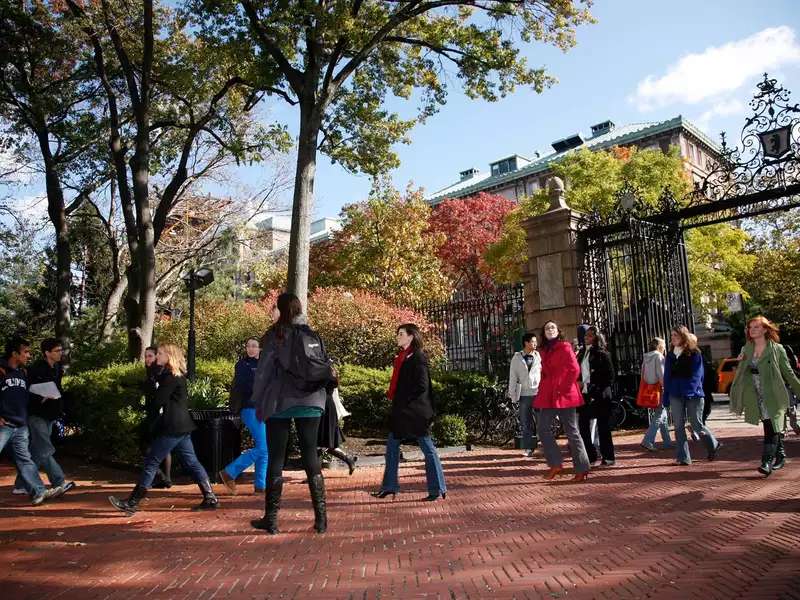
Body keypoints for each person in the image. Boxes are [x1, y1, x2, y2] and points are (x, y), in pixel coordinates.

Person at [250, 292, 332, 534]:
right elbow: (323, 364)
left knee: (276, 458)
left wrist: (257, 399)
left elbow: (263, 372)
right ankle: (321, 520)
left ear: (282, 309)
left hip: (280, 401)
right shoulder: (312, 334)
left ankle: (271, 519)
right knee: (310, 455)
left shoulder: (275, 336)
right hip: (311, 400)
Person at [108, 344, 219, 514]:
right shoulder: (173, 375)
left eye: (160, 353)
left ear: (169, 356)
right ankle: (210, 497)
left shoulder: (170, 377)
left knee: (152, 462)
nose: (157, 356)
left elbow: (158, 401)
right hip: (182, 426)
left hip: (173, 426)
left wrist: (147, 397)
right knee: (192, 462)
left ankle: (132, 502)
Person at [372, 323, 446, 501]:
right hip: (402, 412)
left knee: (428, 449)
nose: (397, 336)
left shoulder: (418, 357)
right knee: (391, 446)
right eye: (397, 333)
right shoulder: (402, 357)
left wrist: (404, 401)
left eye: (401, 334)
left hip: (416, 413)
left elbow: (422, 386)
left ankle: (437, 488)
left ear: (411, 336)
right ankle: (389, 486)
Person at [729, 316, 800, 476]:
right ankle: (780, 454)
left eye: (756, 327)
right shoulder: (746, 348)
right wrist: (741, 363)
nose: (752, 330)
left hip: (773, 393)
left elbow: (788, 373)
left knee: (770, 427)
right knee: (770, 425)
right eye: (750, 327)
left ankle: (766, 462)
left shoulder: (777, 349)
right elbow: (742, 372)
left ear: (766, 329)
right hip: (755, 394)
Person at [12, 338, 75, 497]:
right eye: (57, 350)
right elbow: (25, 391)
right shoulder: (35, 369)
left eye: (61, 350)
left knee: (37, 450)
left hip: (51, 414)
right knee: (45, 448)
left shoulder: (58, 368)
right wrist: (40, 397)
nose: (60, 353)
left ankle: (21, 484)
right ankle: (59, 481)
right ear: (47, 353)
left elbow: (58, 390)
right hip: (36, 414)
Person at [0, 336, 58, 505]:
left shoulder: (23, 373)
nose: (29, 355)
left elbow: (23, 396)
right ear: (14, 353)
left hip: (20, 426)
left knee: (25, 460)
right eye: (25, 352)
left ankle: (39, 491)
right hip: (3, 426)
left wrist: (41, 396)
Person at [534, 321, 591, 482]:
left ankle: (582, 468)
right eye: (547, 328)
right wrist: (542, 385)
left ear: (558, 331)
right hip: (549, 395)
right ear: (543, 333)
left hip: (565, 393)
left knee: (572, 432)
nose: (550, 329)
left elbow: (575, 369)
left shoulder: (565, 347)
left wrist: (564, 386)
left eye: (553, 327)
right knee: (543, 429)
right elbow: (545, 372)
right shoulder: (543, 351)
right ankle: (556, 464)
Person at [664, 326, 721, 466]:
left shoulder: (695, 353)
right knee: (678, 426)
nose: (673, 338)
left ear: (683, 337)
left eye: (676, 335)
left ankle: (713, 444)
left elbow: (697, 375)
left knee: (696, 424)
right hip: (675, 394)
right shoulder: (670, 355)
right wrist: (666, 394)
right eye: (672, 336)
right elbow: (667, 376)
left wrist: (690, 390)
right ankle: (683, 458)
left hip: (693, 394)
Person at [219, 337, 268, 494]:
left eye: (254, 346)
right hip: (249, 409)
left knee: (264, 446)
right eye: (248, 346)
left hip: (264, 409)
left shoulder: (265, 364)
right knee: (263, 448)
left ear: (260, 349)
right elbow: (246, 386)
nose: (251, 349)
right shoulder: (242, 365)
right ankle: (230, 472)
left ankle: (261, 485)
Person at [576, 327, 616, 466]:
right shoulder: (581, 353)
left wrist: (592, 387)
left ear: (597, 337)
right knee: (583, 426)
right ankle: (591, 456)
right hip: (584, 395)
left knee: (603, 426)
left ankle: (608, 457)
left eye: (590, 335)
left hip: (600, 395)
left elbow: (610, 377)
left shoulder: (602, 354)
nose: (587, 337)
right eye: (586, 335)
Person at [140, 346, 171, 488]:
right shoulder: (150, 372)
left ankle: (162, 476)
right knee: (158, 446)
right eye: (146, 356)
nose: (147, 359)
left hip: (159, 414)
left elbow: (160, 395)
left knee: (152, 446)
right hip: (152, 413)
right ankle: (163, 477)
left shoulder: (158, 372)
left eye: (150, 356)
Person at [507, 332, 541, 457]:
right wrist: (512, 394)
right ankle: (528, 448)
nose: (535, 344)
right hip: (524, 394)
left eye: (535, 341)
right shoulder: (517, 358)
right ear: (526, 343)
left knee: (541, 421)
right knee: (526, 422)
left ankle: (544, 446)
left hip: (538, 392)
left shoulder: (539, 357)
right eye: (533, 341)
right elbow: (512, 376)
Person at [316, 374, 357, 474]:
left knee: (318, 442)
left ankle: (315, 474)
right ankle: (349, 460)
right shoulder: (329, 372)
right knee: (324, 442)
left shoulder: (322, 372)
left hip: (322, 406)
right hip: (326, 406)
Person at [639, 337, 674, 451]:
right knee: (660, 414)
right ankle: (648, 440)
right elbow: (662, 374)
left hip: (649, 388)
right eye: (663, 345)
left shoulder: (646, 357)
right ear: (660, 346)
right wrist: (666, 387)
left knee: (662, 414)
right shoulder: (659, 357)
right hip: (660, 389)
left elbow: (643, 375)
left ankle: (667, 442)